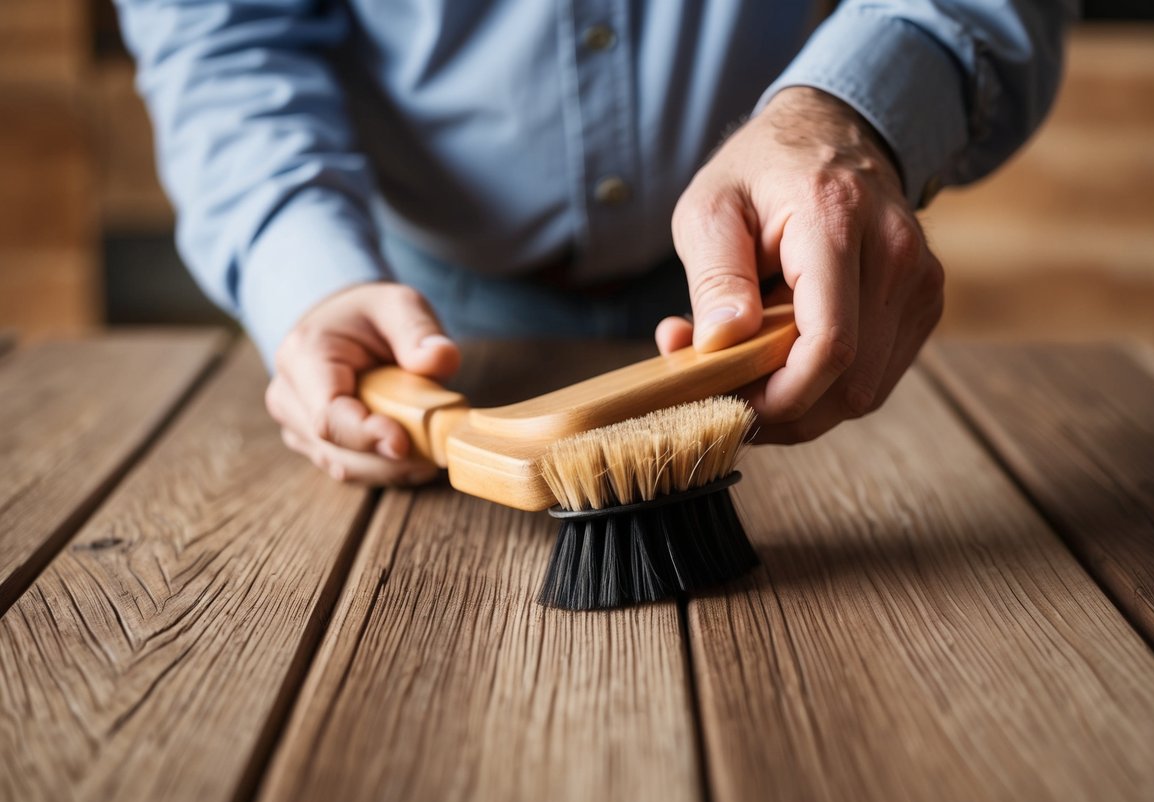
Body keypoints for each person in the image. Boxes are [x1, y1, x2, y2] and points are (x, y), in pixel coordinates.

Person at [115, 0, 1075, 485]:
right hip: (428, 317)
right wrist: (307, 274)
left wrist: (847, 116)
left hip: (777, 291)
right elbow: (221, 31)